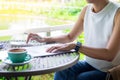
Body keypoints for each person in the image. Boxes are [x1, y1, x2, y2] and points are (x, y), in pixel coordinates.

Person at [26, 0, 120, 80]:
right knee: (62, 71)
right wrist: (45, 39)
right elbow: (70, 37)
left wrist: (77, 46)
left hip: (110, 69)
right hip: (89, 63)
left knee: (81, 78)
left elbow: (109, 55)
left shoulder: (117, 12)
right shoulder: (86, 10)